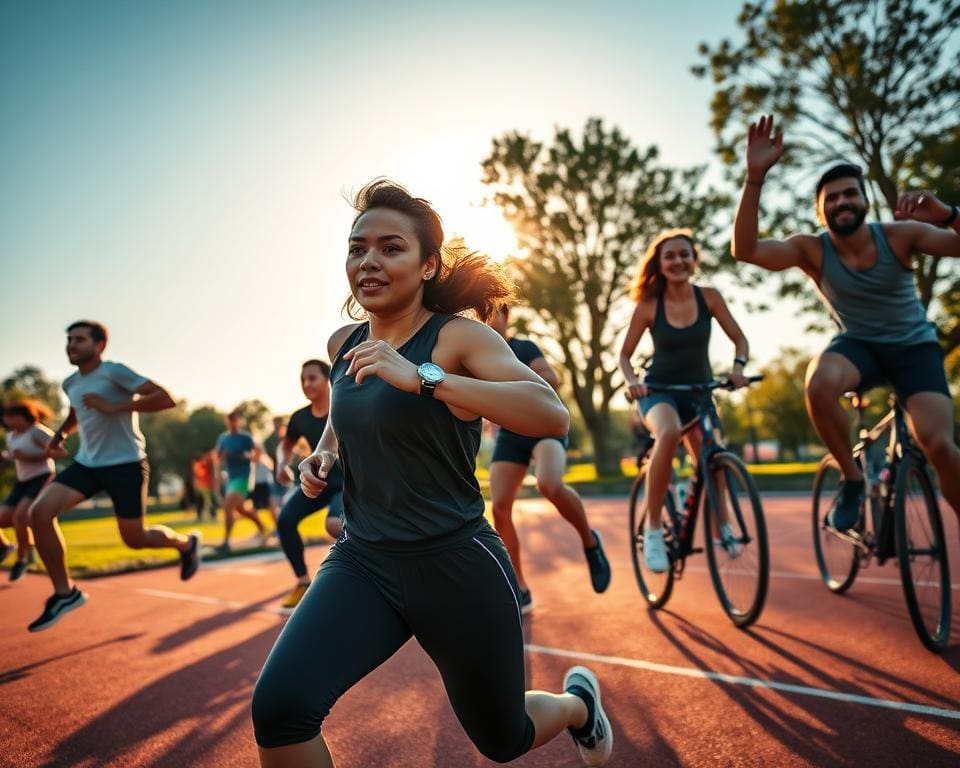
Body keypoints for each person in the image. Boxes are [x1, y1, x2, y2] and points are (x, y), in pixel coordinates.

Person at [251, 180, 612, 768]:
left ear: (427, 265)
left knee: (503, 739)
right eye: (357, 247)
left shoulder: (458, 337)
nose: (368, 260)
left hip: (457, 564)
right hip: (363, 561)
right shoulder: (344, 343)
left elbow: (550, 412)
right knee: (280, 710)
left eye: (391, 248)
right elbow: (347, 414)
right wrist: (323, 456)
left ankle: (577, 706)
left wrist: (424, 378)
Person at [732, 114, 960, 536]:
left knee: (942, 448)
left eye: (850, 194)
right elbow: (745, 251)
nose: (842, 202)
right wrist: (754, 178)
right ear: (821, 211)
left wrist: (946, 213)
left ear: (865, 201)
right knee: (817, 384)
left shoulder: (899, 235)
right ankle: (852, 478)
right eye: (832, 198)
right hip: (859, 347)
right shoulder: (811, 250)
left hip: (915, 349)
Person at [27, 321, 201, 631]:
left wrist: (114, 406)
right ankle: (65, 593)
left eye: (79, 339)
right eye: (69, 340)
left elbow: (165, 398)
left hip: (126, 464)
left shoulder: (114, 371)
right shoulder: (70, 382)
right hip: (88, 464)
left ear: (99, 345)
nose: (72, 345)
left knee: (135, 539)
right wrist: (60, 434)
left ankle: (186, 545)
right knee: (39, 513)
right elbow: (75, 411)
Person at [619, 229, 750, 573]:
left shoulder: (709, 297)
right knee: (668, 432)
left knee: (714, 458)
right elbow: (625, 355)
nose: (678, 261)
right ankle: (652, 533)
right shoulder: (649, 305)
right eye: (670, 256)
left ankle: (723, 526)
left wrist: (738, 369)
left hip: (699, 393)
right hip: (659, 392)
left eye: (684, 254)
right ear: (659, 265)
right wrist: (633, 383)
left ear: (694, 260)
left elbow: (740, 341)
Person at [486, 304, 611, 613]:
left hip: (543, 427)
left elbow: (552, 380)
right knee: (500, 507)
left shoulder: (523, 347)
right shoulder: (475, 352)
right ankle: (520, 586)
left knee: (549, 484)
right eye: (478, 313)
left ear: (505, 315)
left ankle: (590, 541)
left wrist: (510, 388)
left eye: (491, 312)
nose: (486, 319)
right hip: (511, 436)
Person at [274, 360, 345, 610]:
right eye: (303, 379)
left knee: (334, 525)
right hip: (319, 482)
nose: (307, 384)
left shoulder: (345, 404)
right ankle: (303, 582)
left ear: (327, 379)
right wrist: (282, 463)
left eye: (312, 378)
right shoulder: (299, 418)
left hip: (349, 483)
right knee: (285, 520)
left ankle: (356, 578)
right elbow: (285, 445)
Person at [0, 400, 62, 581]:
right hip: (23, 481)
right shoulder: (11, 435)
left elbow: (60, 452)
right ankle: (5, 547)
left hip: (42, 476)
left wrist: (33, 457)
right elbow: (14, 455)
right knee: (7, 519)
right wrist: (4, 456)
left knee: (20, 516)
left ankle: (22, 559)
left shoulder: (38, 431)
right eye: (6, 418)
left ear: (24, 416)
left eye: (11, 417)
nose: (8, 421)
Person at [215, 410, 268, 552]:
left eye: (234, 420)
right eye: (229, 420)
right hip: (231, 478)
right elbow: (218, 457)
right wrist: (218, 472)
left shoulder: (245, 437)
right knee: (241, 509)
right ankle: (262, 527)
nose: (232, 423)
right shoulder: (223, 438)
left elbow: (258, 451)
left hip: (244, 477)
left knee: (228, 506)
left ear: (238, 421)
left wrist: (250, 457)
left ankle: (225, 542)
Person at [191, 450, 217, 521]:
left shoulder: (203, 464)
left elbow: (201, 474)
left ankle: (212, 515)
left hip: (205, 486)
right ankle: (201, 516)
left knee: (208, 502)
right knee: (202, 502)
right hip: (202, 486)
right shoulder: (201, 464)